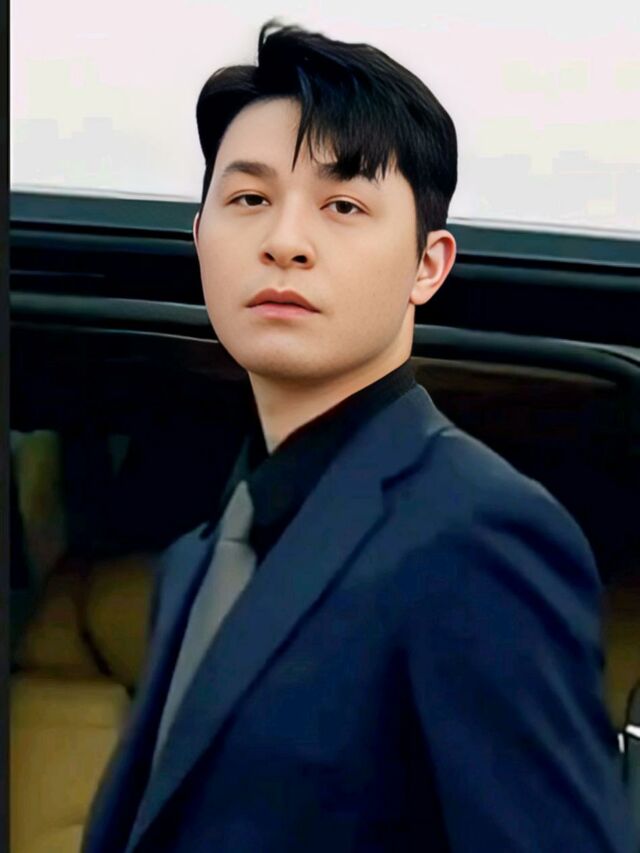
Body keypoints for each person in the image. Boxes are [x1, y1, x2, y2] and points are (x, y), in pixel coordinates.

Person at [82, 19, 635, 852]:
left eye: (343, 205)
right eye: (249, 199)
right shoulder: (196, 561)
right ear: (199, 236)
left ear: (429, 264)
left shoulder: (482, 535)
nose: (284, 242)